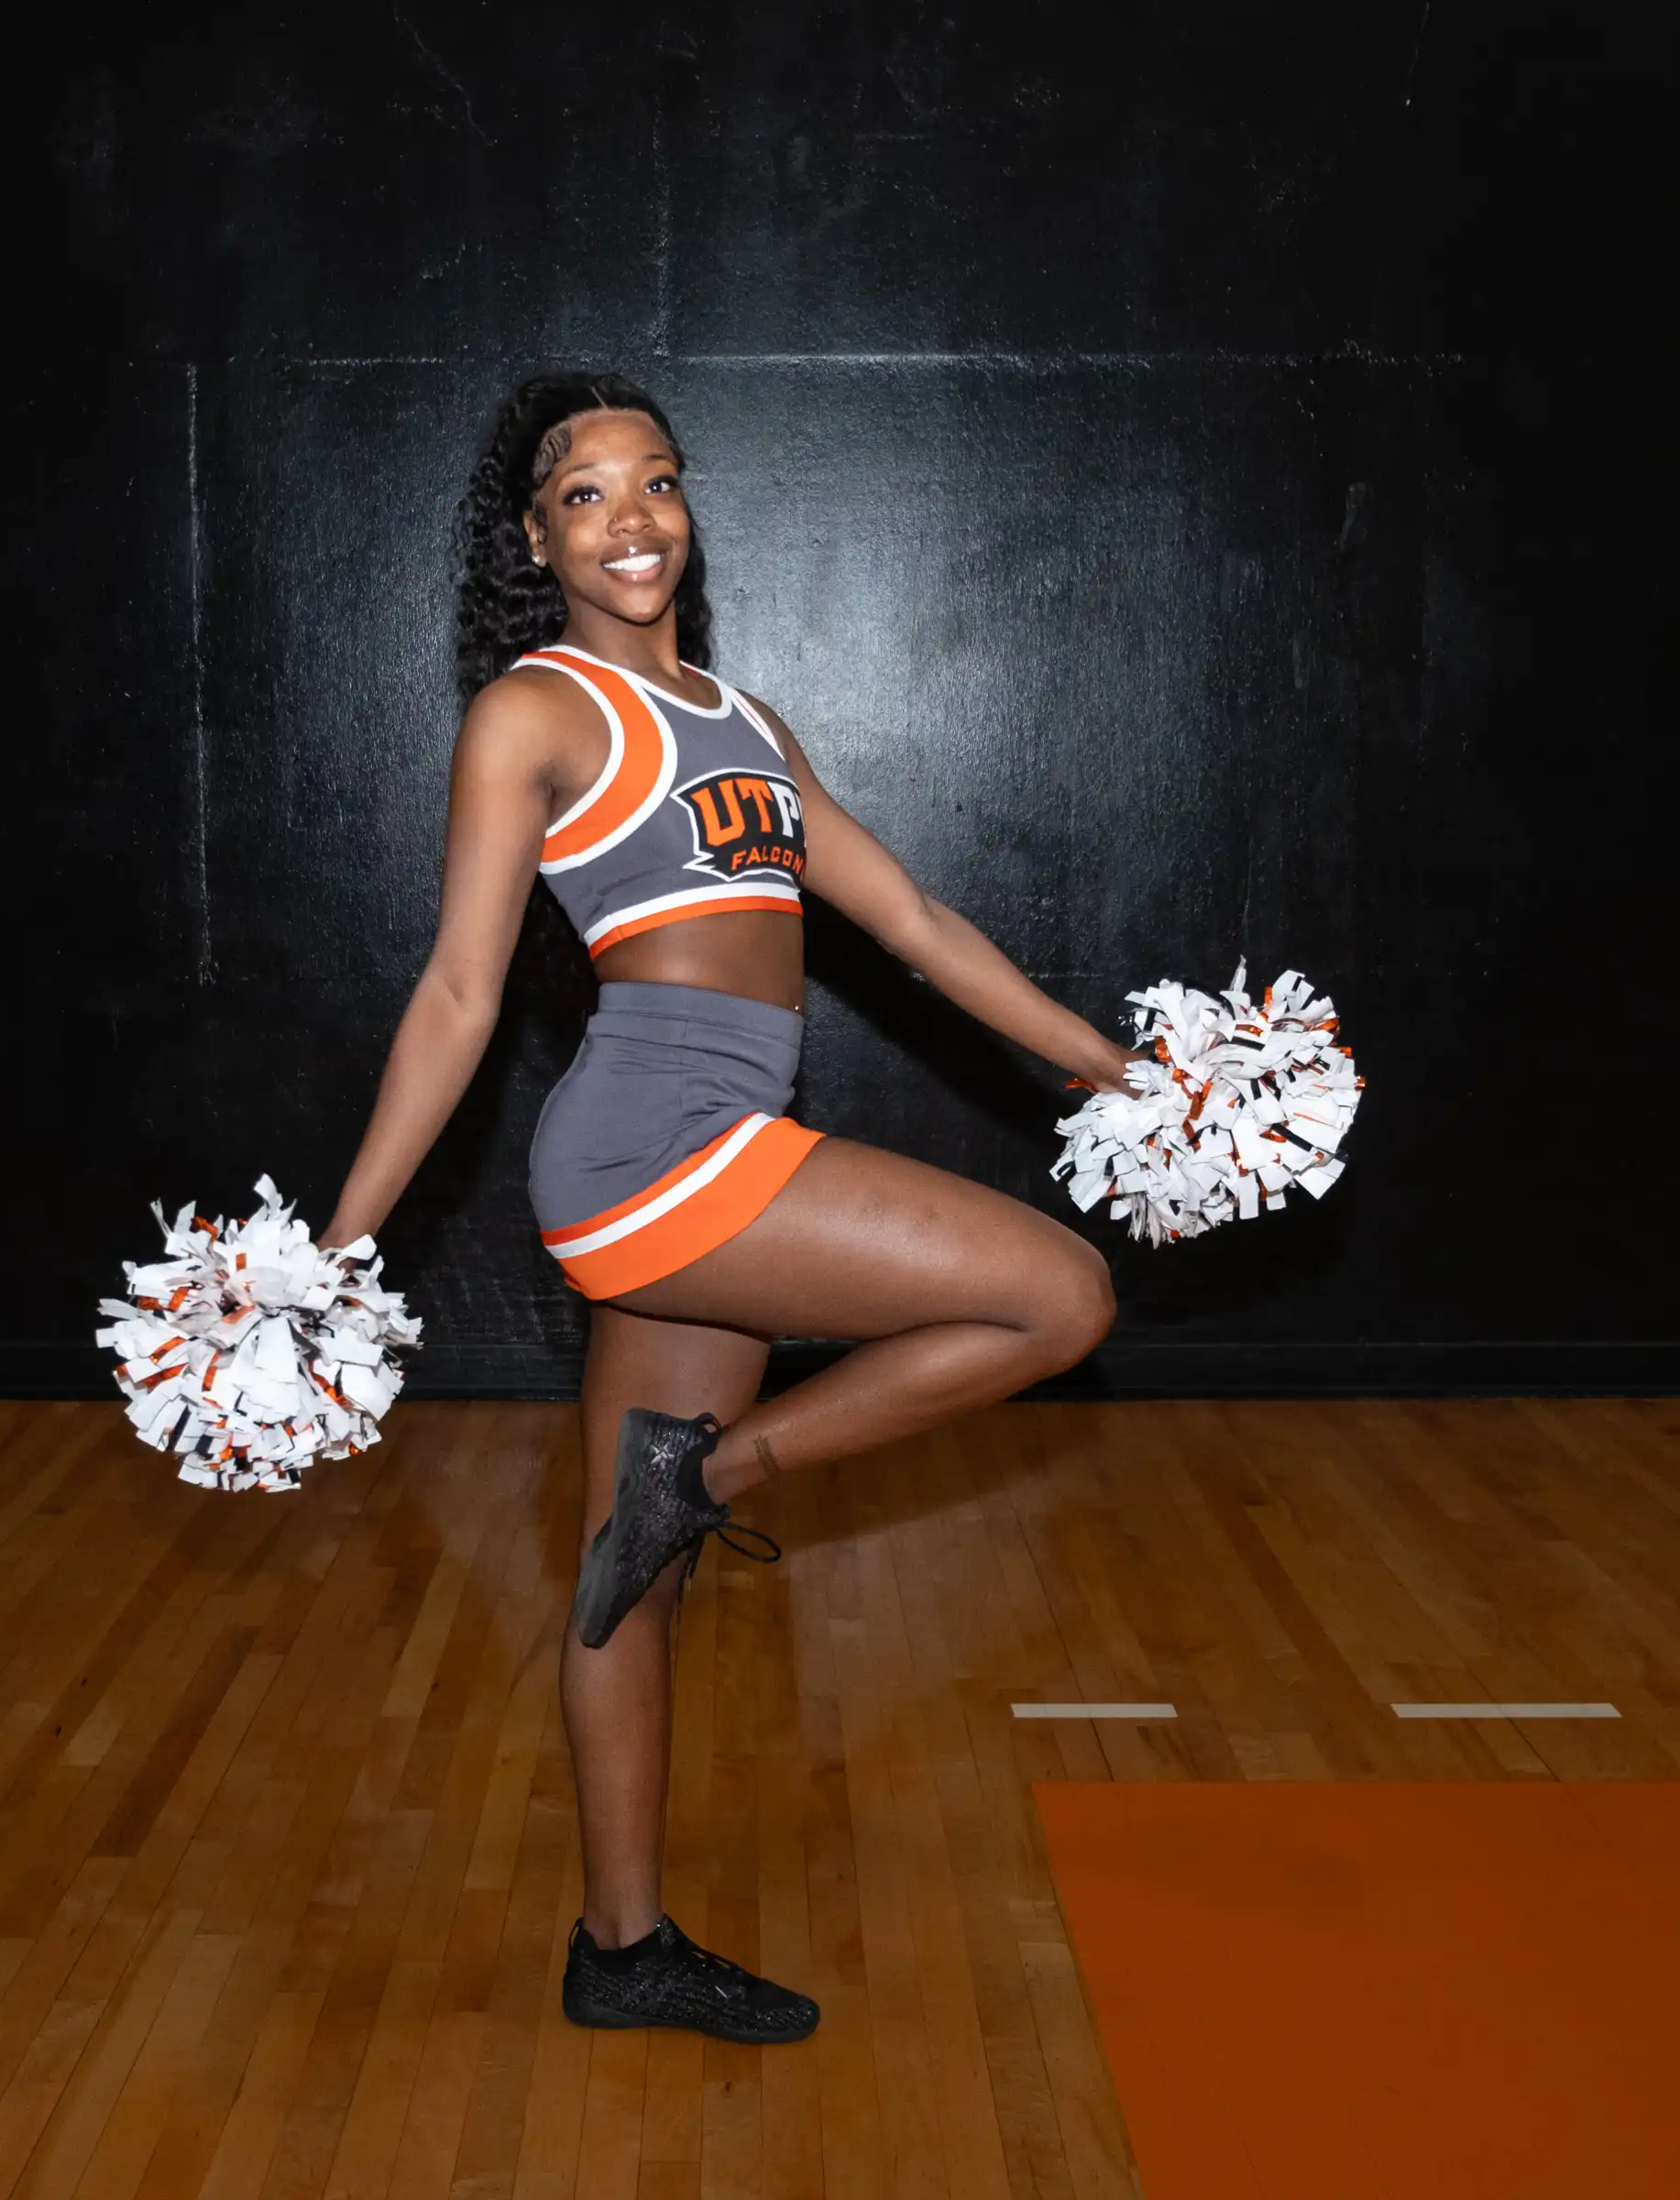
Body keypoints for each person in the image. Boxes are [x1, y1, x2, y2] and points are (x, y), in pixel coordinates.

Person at [319, 372, 1127, 2045]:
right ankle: (723, 1478)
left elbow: (910, 917)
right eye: (588, 494)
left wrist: (1111, 1072)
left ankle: (621, 1951)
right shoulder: (528, 716)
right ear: (535, 540)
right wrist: (342, 1245)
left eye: (658, 481)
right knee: (1059, 1298)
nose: (634, 517)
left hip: (728, 1145)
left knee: (629, 1575)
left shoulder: (750, 724)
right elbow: (465, 995)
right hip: (648, 1152)